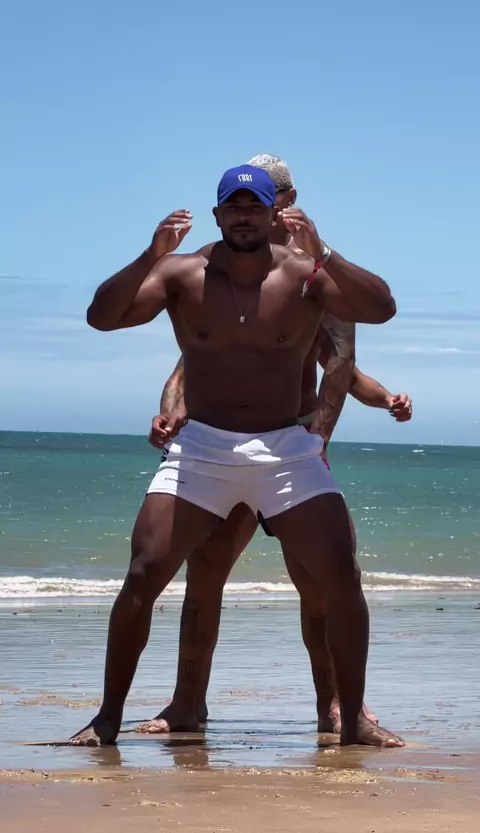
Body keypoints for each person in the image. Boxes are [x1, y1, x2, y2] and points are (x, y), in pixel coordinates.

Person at [70, 163, 402, 748]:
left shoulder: (306, 274)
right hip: (202, 448)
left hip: (287, 450)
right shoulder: (181, 272)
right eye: (234, 206)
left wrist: (324, 251)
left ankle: (350, 721)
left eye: (255, 206)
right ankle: (107, 719)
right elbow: (102, 317)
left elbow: (381, 308)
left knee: (339, 577)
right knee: (144, 573)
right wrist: (149, 255)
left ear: (274, 212)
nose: (244, 216)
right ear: (218, 214)